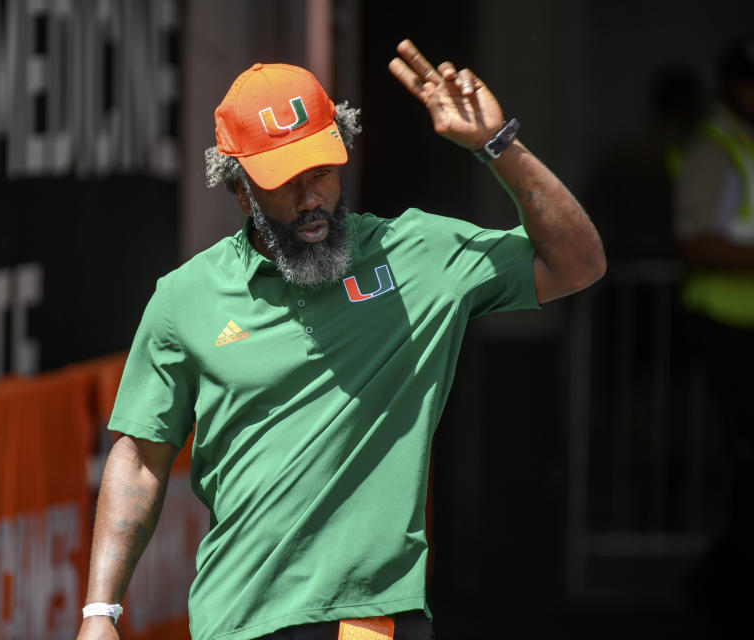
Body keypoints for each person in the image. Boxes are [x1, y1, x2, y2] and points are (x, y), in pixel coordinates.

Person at [77, 39, 606, 640]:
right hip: (232, 621)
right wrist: (101, 612)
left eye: (323, 171)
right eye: (285, 180)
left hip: (365, 618)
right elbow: (140, 458)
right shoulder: (184, 297)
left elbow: (578, 264)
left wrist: (498, 146)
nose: (311, 199)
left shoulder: (418, 256)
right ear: (239, 186)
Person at [674, 33, 754, 638]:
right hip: (725, 328)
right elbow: (696, 241)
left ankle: (716, 589)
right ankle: (715, 592)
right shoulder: (715, 150)